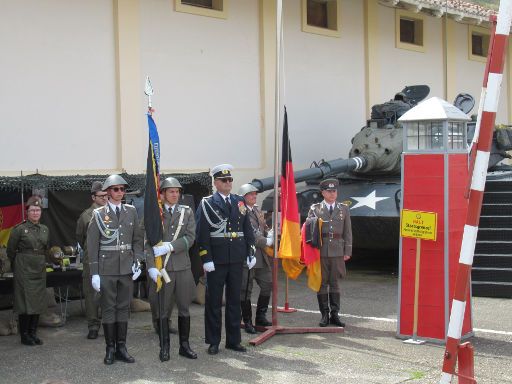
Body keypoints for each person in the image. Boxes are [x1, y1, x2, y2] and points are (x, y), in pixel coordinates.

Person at [196, 164, 255, 355]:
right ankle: (213, 341)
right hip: (217, 259)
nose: (228, 183)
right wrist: (206, 257)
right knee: (213, 301)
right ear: (216, 182)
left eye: (230, 180)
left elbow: (247, 229)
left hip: (236, 257)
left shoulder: (239, 201)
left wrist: (250, 252)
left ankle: (233, 340)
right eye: (224, 180)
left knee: (234, 301)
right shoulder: (207, 203)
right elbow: (202, 232)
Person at [87, 174, 144, 364]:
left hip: (126, 267)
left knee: (123, 308)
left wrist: (138, 260)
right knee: (109, 308)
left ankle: (122, 347)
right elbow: (92, 245)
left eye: (122, 189)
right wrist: (94, 273)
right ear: (108, 192)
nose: (120, 193)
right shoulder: (98, 214)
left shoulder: (131, 211)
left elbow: (137, 239)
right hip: (107, 268)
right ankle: (110, 348)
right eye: (116, 189)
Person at [146, 177, 197, 361]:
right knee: (162, 310)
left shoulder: (187, 212)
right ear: (163, 194)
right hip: (162, 267)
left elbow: (191, 238)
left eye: (177, 192)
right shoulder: (155, 213)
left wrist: (170, 246)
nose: (175, 195)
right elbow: (147, 243)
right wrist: (151, 267)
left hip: (182, 266)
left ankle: (185, 346)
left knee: (184, 308)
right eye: (171, 191)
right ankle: (164, 347)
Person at [6, 196, 62, 346]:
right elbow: (11, 251)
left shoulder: (45, 229)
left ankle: (33, 333)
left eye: (38, 210)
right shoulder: (19, 229)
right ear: (27, 212)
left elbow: (45, 249)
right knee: (25, 302)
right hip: (24, 269)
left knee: (38, 301)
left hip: (39, 268)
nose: (36, 213)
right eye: (33, 210)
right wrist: (17, 264)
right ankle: (24, 335)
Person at [307, 178, 352, 328]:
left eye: (334, 191)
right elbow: (308, 231)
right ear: (323, 192)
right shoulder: (315, 208)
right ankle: (324, 314)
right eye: (329, 191)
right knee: (322, 283)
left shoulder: (343, 208)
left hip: (338, 251)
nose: (332, 194)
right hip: (321, 250)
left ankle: (335, 315)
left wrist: (348, 250)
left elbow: (348, 231)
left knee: (335, 283)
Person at [238, 183, 273, 334]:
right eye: (251, 194)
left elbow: (263, 227)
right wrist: (267, 241)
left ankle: (261, 316)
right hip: (248, 255)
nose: (254, 196)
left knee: (267, 284)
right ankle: (247, 321)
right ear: (244, 196)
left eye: (255, 194)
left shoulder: (257, 210)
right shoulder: (242, 211)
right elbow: (252, 234)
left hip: (261, 256)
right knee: (246, 290)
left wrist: (270, 232)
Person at [75, 181, 108, 339]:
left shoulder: (111, 213)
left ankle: (109, 324)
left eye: (106, 196)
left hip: (109, 259)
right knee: (91, 294)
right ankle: (93, 326)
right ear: (93, 197)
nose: (104, 198)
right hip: (91, 259)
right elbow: (80, 238)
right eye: (101, 196)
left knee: (109, 292)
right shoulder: (86, 216)